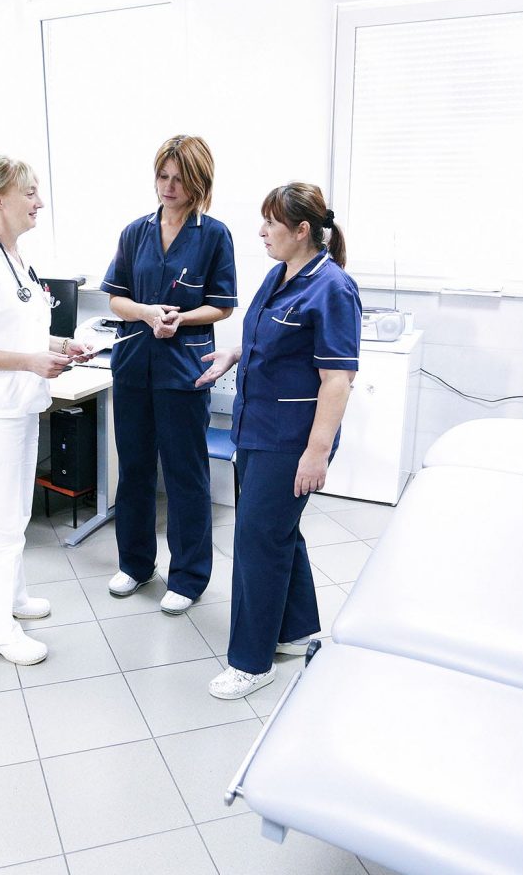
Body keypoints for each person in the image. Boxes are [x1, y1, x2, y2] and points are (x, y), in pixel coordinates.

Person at [196, 182, 361, 699]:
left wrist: (316, 453)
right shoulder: (280, 273)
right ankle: (294, 630)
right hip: (256, 427)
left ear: (302, 230)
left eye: (271, 222)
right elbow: (270, 342)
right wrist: (233, 355)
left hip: (291, 439)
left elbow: (337, 380)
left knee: (256, 541)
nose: (262, 232)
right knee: (277, 532)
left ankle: (251, 661)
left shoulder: (332, 288)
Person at [0, 156, 94, 666]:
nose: (40, 203)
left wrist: (61, 345)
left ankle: (12, 598)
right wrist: (31, 362)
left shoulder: (15, 256)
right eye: (30, 193)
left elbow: (17, 329)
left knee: (15, 516)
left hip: (21, 407)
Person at [101, 135, 237, 614]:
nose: (169, 187)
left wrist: (180, 317)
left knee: (186, 474)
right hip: (133, 366)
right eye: (163, 176)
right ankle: (136, 564)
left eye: (180, 179)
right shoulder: (135, 232)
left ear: (199, 183)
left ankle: (189, 576)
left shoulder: (214, 235)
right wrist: (144, 311)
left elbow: (222, 305)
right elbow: (115, 297)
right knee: (134, 469)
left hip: (183, 370)